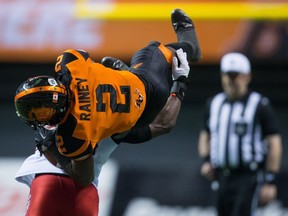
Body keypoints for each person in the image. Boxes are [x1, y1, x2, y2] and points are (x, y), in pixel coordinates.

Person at [14, 8, 201, 215]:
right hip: (138, 95)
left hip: (52, 179)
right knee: (159, 52)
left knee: (120, 128)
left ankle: (124, 73)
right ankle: (172, 53)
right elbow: (162, 125)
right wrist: (180, 81)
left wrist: (56, 152)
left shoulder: (77, 132)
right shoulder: (71, 67)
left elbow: (82, 173)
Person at [198, 52, 282, 216]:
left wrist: (270, 180)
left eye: (236, 75)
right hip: (221, 176)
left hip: (248, 176)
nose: (231, 80)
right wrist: (206, 160)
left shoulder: (259, 105)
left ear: (247, 77)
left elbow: (275, 144)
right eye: (227, 75)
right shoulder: (214, 104)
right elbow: (205, 135)